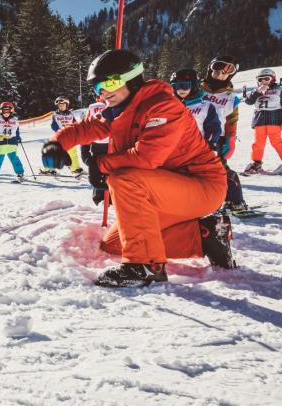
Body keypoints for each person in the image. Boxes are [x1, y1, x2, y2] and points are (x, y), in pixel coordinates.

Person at [42, 50, 232, 288]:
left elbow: (146, 157)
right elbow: (86, 128)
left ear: (132, 80)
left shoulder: (162, 106)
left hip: (201, 186)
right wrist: (57, 143)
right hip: (165, 188)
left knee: (124, 179)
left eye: (110, 83)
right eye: (97, 87)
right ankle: (204, 236)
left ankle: (145, 266)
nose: (103, 93)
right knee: (115, 243)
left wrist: (100, 166)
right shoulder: (121, 109)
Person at [199, 56, 250, 214]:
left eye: (225, 73)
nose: (220, 75)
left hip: (216, 139)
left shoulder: (230, 98)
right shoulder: (196, 89)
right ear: (210, 69)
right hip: (190, 135)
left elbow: (231, 121)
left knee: (219, 169)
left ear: (230, 75)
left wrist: (230, 139)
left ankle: (235, 201)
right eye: (217, 70)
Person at [242, 68, 282, 175]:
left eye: (266, 79)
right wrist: (257, 92)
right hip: (259, 120)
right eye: (260, 79)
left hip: (274, 118)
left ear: (273, 79)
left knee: (276, 141)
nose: (263, 81)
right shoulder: (256, 91)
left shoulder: (280, 90)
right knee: (258, 143)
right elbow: (249, 102)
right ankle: (256, 163)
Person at [170, 69, 221, 149]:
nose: (180, 90)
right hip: (176, 150)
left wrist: (210, 142)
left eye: (184, 86)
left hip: (198, 148)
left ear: (194, 86)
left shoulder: (204, 107)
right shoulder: (171, 107)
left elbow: (213, 127)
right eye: (176, 86)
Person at [45, 97, 84, 176]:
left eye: (63, 105)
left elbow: (75, 124)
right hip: (60, 136)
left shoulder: (70, 114)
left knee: (73, 152)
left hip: (69, 136)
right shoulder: (55, 114)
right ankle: (47, 169)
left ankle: (75, 168)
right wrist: (60, 130)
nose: (61, 106)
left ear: (67, 105)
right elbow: (53, 125)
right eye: (59, 105)